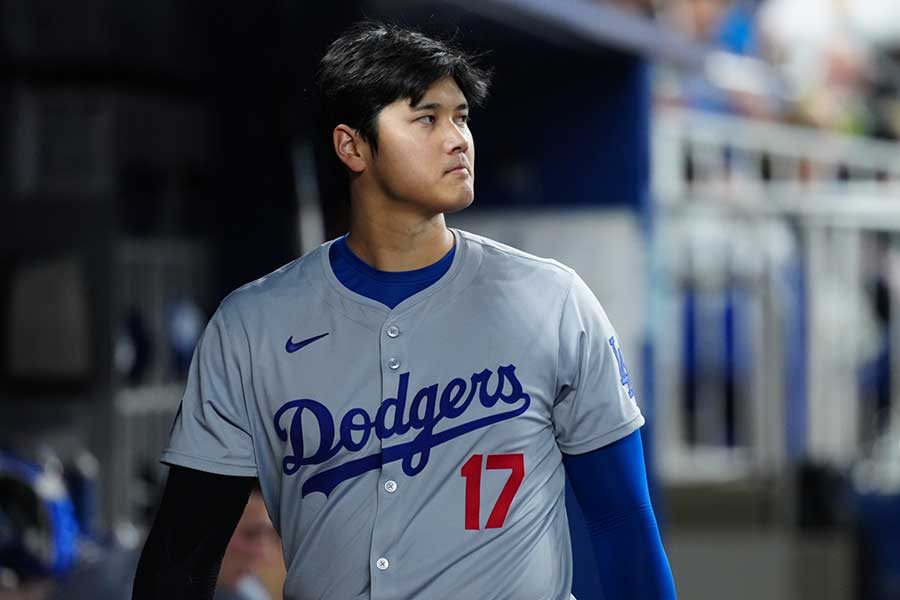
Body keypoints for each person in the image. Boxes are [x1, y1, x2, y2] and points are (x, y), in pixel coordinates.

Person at [132, 21, 676, 600]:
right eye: (426, 118)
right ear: (353, 146)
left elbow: (623, 525)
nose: (457, 138)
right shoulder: (252, 324)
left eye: (461, 117)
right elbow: (184, 550)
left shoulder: (553, 299)